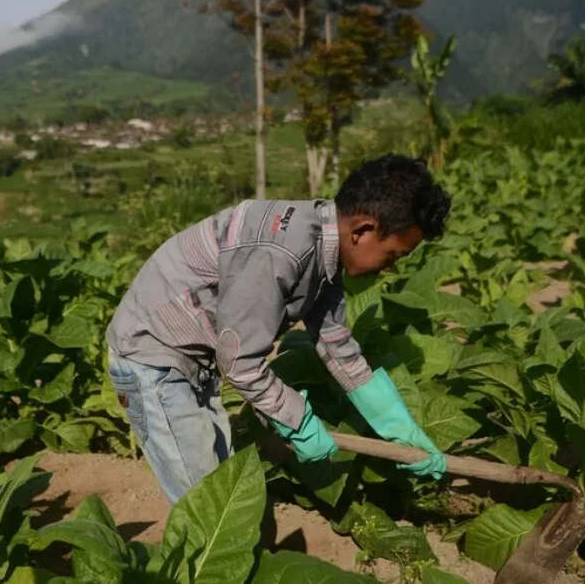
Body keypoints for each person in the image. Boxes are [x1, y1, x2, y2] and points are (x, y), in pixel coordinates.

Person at [105, 153, 451, 504]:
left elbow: (337, 346)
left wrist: (398, 427)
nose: (389, 268)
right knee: (205, 506)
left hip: (192, 357)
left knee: (220, 490)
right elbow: (239, 363)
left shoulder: (325, 248)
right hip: (152, 358)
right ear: (362, 231)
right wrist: (296, 420)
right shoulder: (281, 252)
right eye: (391, 256)